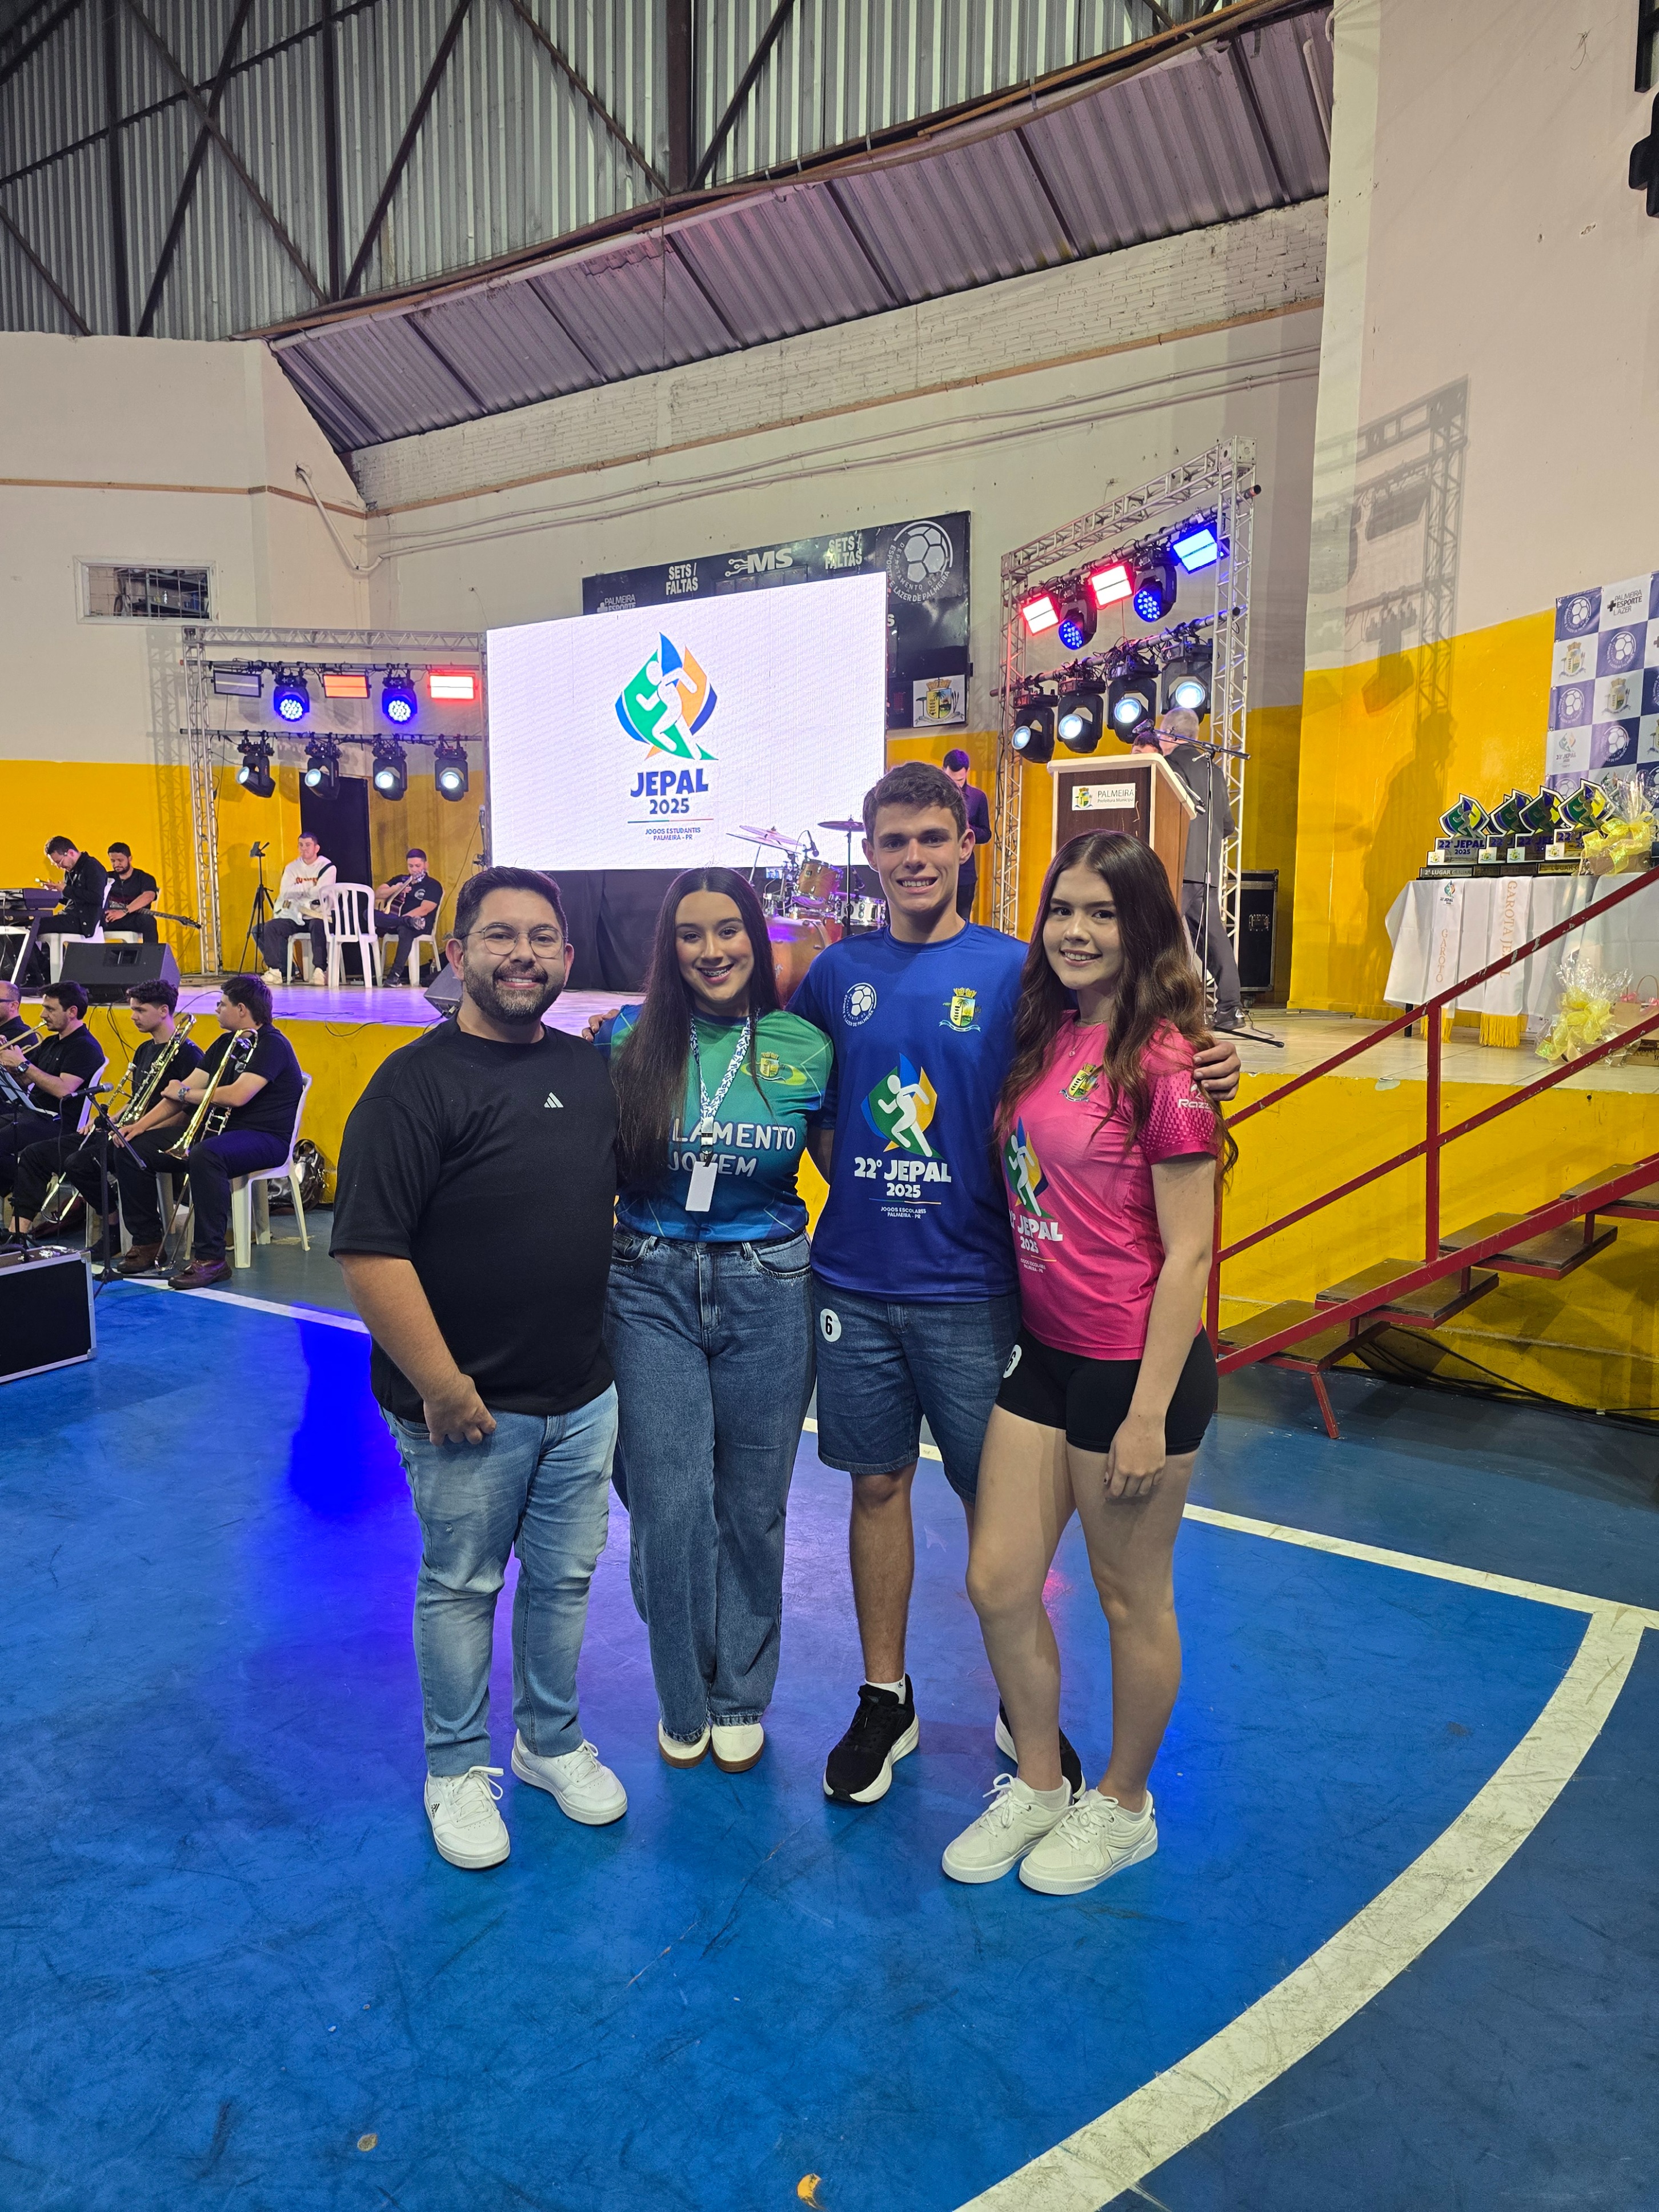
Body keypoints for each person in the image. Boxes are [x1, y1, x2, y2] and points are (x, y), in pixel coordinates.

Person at [788, 760, 1240, 1807]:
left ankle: (1018, 1704)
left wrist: (1209, 1063)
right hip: (855, 1281)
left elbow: (1129, 1043)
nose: (912, 858)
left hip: (980, 1289)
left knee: (994, 1515)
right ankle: (884, 1696)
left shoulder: (1016, 973)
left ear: (966, 845)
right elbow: (805, 1093)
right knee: (874, 1487)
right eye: (892, 841)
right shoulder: (834, 972)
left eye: (930, 838)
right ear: (869, 853)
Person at [941, 832, 1231, 1892]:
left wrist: (1148, 1412)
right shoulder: (1051, 1033)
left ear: (1141, 926)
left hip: (1132, 1370)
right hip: (1046, 1355)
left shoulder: (1167, 1063)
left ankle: (1122, 1805)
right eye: (1062, 909)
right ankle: (1038, 1781)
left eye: (1102, 913)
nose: (1075, 930)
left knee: (1128, 1599)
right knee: (995, 1580)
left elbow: (1189, 1250)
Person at [332, 867, 626, 1872]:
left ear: (567, 958)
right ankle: (456, 1768)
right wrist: (443, 1384)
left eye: (542, 939)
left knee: (564, 1580)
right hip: (465, 1408)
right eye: (500, 936)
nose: (523, 956)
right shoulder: (412, 1085)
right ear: (457, 954)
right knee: (461, 1585)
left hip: (580, 1394)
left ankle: (548, 1742)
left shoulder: (589, 1071)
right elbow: (369, 1250)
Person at [595, 867, 829, 1775]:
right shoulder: (624, 1038)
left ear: (755, 938)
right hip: (646, 1282)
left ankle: (739, 1692)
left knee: (752, 1508)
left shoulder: (805, 1047)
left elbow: (849, 1166)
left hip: (769, 1283)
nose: (711, 950)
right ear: (670, 947)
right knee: (668, 1506)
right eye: (690, 934)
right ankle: (684, 1692)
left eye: (728, 930)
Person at [138, 973, 304, 1291]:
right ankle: (146, 1243)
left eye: (222, 1004)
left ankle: (211, 1259)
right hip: (226, 1133)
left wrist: (184, 1093)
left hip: (266, 1138)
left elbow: (237, 1095)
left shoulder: (272, 1044)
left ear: (241, 1009)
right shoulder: (225, 1043)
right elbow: (186, 1090)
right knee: (136, 1146)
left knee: (207, 1155)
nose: (216, 1009)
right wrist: (139, 1127)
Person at [36, 980, 205, 1263]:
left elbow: (185, 1109)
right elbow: (138, 1099)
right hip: (134, 1128)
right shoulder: (144, 1050)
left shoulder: (188, 1053)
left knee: (125, 1154)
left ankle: (147, 1239)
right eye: (132, 1010)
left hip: (161, 1133)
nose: (133, 1017)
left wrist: (141, 1129)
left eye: (140, 1010)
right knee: (76, 1161)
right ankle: (113, 1226)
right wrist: (109, 1120)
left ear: (164, 1011)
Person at [1133, 711, 1244, 1032]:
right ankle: (1230, 1010)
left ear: (1169, 733)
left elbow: (1158, 813)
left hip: (1176, 864)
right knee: (1213, 939)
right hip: (1206, 868)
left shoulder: (1168, 766)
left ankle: (1157, 1008)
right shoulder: (1215, 770)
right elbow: (1227, 826)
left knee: (1157, 934)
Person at [0, 981, 107, 1232]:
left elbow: (64, 1090)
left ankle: (20, 1186)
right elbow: (25, 1081)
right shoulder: (50, 1043)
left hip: (60, 1122)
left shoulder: (85, 1046)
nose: (42, 1015)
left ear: (72, 1012)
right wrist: (9, 1065)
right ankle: (19, 1183)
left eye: (50, 1009)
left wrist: (24, 1064)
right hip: (34, 1113)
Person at [258, 834, 335, 987]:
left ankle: (320, 970)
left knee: (317, 925)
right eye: (301, 845)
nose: (304, 848)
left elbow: (321, 893)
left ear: (316, 848)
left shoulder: (328, 867)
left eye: (308, 845)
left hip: (320, 915)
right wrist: (308, 887)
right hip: (296, 916)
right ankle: (276, 971)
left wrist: (298, 890)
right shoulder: (292, 868)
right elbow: (285, 892)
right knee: (271, 927)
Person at [373, 848, 444, 985]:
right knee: (368, 914)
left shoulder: (433, 885)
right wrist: (396, 889)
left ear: (426, 865)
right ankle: (403, 921)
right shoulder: (401, 880)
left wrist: (402, 920)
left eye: (418, 866)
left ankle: (394, 976)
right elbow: (378, 894)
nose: (414, 870)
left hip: (420, 924)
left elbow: (425, 909)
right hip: (397, 922)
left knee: (406, 929)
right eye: (411, 866)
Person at [943, 749, 992, 920]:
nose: (956, 785)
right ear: (943, 771)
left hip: (965, 874)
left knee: (961, 923)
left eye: (960, 780)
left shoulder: (978, 797)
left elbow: (986, 834)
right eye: (951, 779)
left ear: (968, 772)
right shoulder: (934, 797)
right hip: (939, 869)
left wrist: (968, 828)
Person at [43, 837, 108, 938]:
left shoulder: (92, 866)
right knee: (26, 926)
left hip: (83, 921)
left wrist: (66, 890)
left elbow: (97, 898)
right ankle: (45, 949)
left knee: (35, 926)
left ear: (71, 853)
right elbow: (70, 900)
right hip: (70, 917)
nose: (59, 867)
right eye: (55, 864)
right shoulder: (70, 870)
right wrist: (56, 892)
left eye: (59, 862)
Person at [103, 844, 160, 943]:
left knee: (148, 921)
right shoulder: (106, 877)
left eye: (120, 860)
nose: (116, 864)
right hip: (110, 918)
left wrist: (124, 912)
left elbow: (149, 896)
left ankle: (150, 952)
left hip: (134, 919)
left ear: (130, 859)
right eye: (113, 861)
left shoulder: (145, 878)